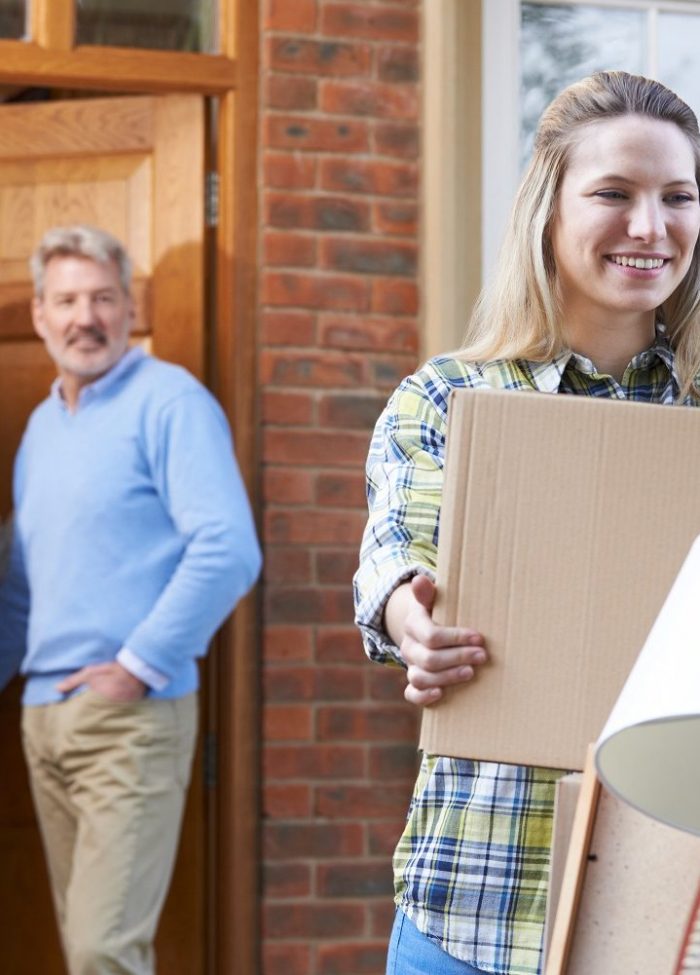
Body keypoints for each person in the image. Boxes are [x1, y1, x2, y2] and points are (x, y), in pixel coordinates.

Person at [353, 70, 700, 975]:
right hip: (476, 901)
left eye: (678, 196)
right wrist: (411, 621)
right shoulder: (449, 399)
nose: (650, 227)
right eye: (614, 194)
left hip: (669, 922)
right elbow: (397, 553)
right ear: (548, 209)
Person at [0, 225, 262, 975]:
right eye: (68, 300)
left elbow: (228, 549)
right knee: (84, 948)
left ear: (128, 308)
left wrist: (136, 665)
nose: (86, 316)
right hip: (43, 718)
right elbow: (22, 582)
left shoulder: (171, 402)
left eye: (104, 298)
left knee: (102, 951)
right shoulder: (41, 430)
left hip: (130, 717)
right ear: (40, 316)